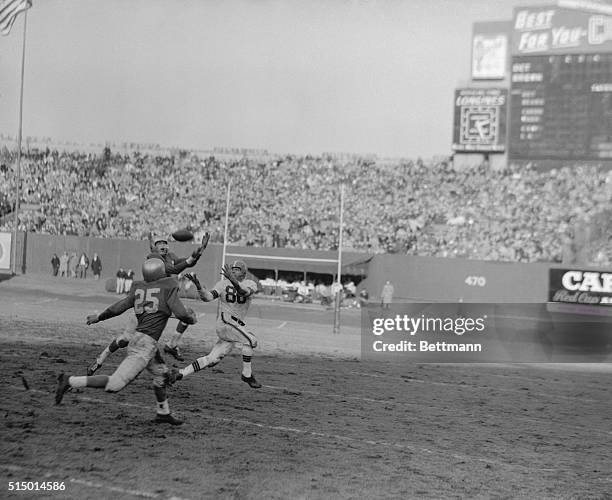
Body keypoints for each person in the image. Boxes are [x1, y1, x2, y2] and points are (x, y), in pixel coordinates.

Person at [55, 258, 197, 425]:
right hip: (144, 345)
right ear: (160, 272)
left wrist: (99, 317)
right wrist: (190, 319)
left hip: (141, 341)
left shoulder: (139, 288)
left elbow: (119, 306)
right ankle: (69, 380)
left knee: (162, 376)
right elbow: (181, 314)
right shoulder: (168, 286)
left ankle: (163, 413)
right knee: (115, 384)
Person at [86, 232, 209, 376]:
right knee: (125, 339)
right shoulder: (154, 259)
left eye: (165, 243)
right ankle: (100, 359)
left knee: (188, 314)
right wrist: (193, 256)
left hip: (164, 303)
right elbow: (176, 268)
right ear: (153, 248)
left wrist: (200, 251)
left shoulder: (170, 257)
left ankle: (172, 345)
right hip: (149, 304)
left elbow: (186, 262)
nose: (163, 246)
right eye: (159, 243)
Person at [168, 260, 261, 389]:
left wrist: (233, 281)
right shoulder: (222, 284)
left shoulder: (250, 283)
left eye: (237, 269)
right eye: (232, 268)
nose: (233, 270)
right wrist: (199, 286)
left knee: (211, 359)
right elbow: (208, 297)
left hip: (235, 327)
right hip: (225, 322)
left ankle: (180, 373)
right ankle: (247, 374)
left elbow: (243, 292)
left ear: (244, 273)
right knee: (251, 340)